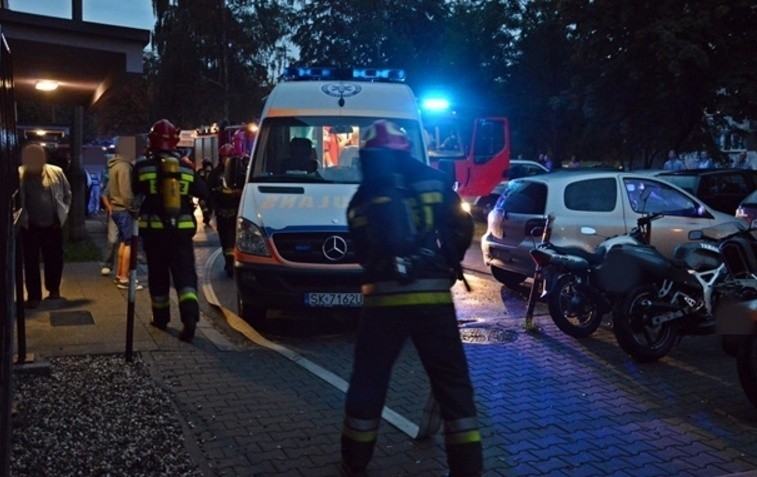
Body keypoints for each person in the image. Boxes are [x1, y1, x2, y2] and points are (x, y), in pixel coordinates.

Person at [341, 120, 482, 477]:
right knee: (452, 384)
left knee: (369, 379)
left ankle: (355, 459)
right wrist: (446, 264)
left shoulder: (361, 198)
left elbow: (360, 252)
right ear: (405, 149)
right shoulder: (434, 180)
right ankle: (468, 468)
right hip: (434, 298)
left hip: (381, 304)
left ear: (367, 155)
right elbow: (461, 226)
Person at [133, 119, 208, 342]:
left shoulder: (142, 167)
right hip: (182, 233)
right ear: (174, 142)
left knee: (158, 276)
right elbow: (203, 192)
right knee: (185, 276)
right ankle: (190, 318)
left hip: (154, 233)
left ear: (152, 141)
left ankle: (161, 318)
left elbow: (135, 193)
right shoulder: (186, 168)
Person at [18, 143, 72, 308]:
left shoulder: (56, 172)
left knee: (54, 259)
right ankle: (34, 295)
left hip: (53, 225)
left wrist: (62, 215)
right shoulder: (20, 174)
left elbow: (67, 194)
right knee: (31, 261)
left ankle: (53, 289)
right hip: (30, 226)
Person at [107, 148, 141, 290]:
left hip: (116, 208)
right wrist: (134, 209)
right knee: (130, 244)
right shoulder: (125, 168)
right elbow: (126, 192)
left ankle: (120, 274)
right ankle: (125, 278)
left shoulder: (114, 165)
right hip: (124, 209)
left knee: (123, 242)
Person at [208, 141, 242, 276]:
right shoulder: (215, 174)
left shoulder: (239, 173)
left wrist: (239, 192)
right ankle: (228, 261)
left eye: (229, 157)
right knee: (224, 239)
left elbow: (246, 188)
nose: (226, 160)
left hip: (235, 211)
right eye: (224, 157)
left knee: (232, 239)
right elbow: (208, 189)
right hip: (222, 212)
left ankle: (231, 262)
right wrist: (210, 204)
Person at [196, 158, 214, 226]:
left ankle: (206, 215)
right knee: (209, 205)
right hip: (209, 191)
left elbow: (197, 181)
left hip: (202, 191)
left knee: (203, 204)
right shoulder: (213, 171)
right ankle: (207, 216)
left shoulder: (200, 171)